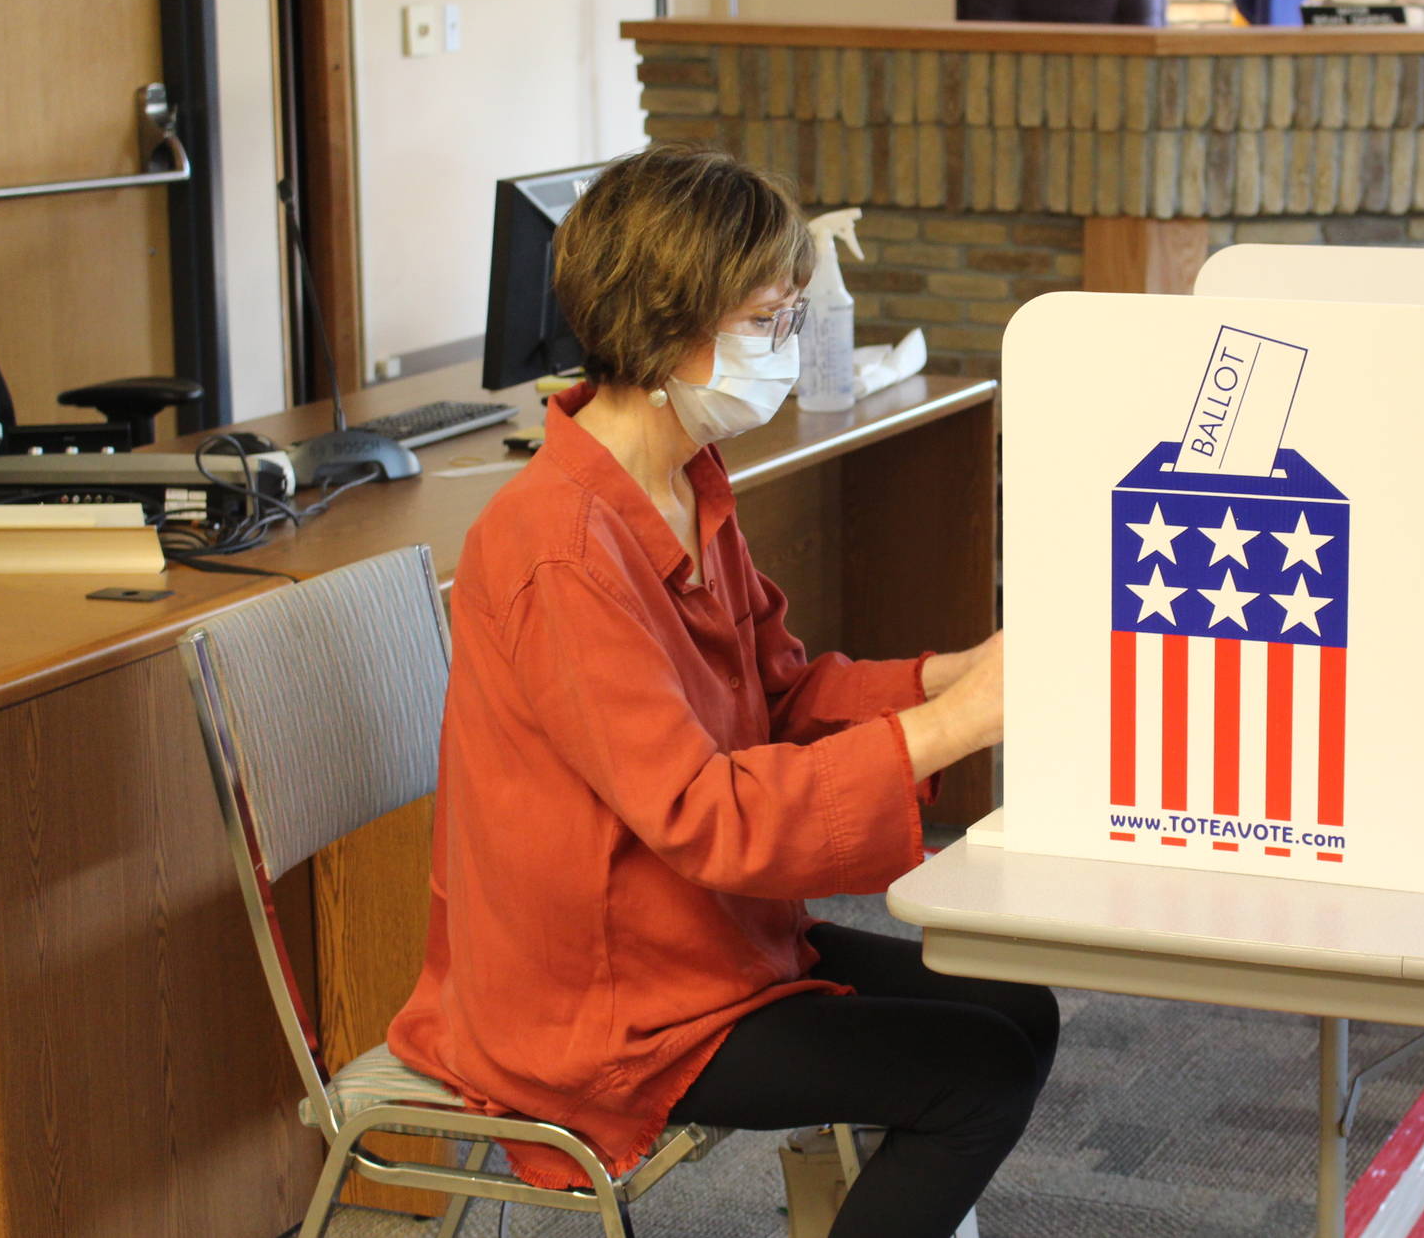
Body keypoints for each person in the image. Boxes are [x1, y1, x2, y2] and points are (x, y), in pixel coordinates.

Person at [388, 145, 1055, 1238]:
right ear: (665, 318)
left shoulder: (683, 484)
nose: (786, 345)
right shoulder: (557, 549)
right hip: (606, 1005)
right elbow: (705, 814)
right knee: (971, 1075)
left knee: (1013, 1012)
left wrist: (955, 674)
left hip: (702, 942)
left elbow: (782, 698)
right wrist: (954, 725)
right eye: (768, 319)